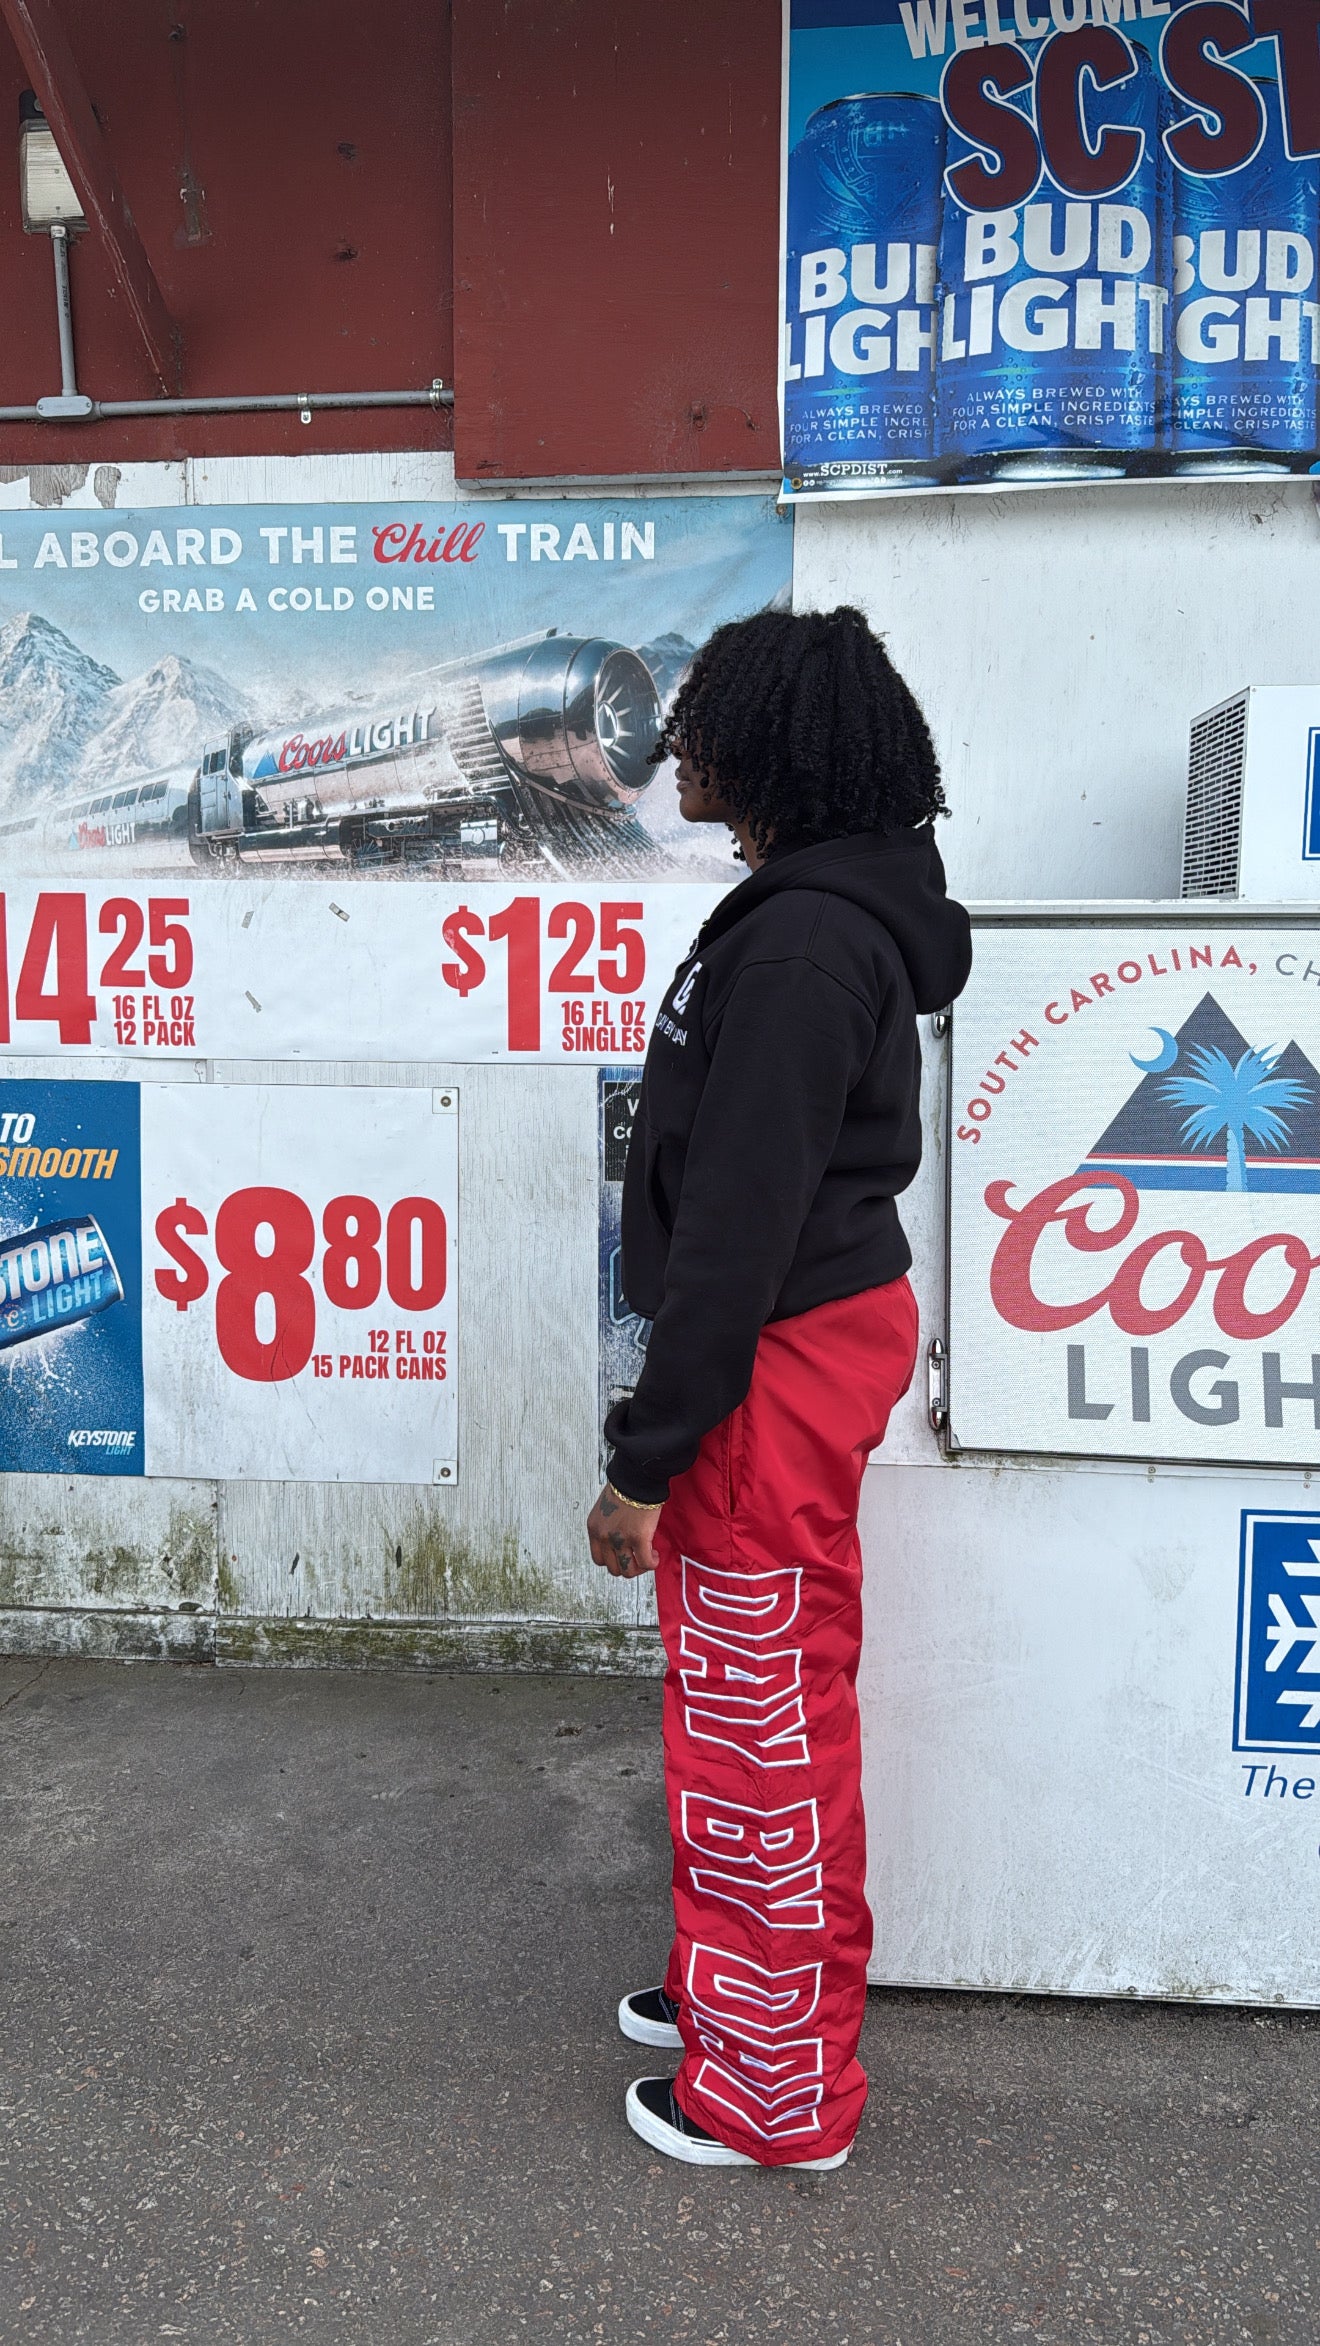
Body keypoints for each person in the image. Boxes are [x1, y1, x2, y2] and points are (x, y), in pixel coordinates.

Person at [586, 603, 972, 2172]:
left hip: (774, 1360)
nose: (677, 750)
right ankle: (732, 1990)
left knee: (763, 1716)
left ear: (768, 752)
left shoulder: (808, 943)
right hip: (792, 1342)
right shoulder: (804, 908)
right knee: (742, 1697)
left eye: (699, 728)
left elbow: (737, 1229)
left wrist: (647, 1460)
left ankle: (778, 2098)